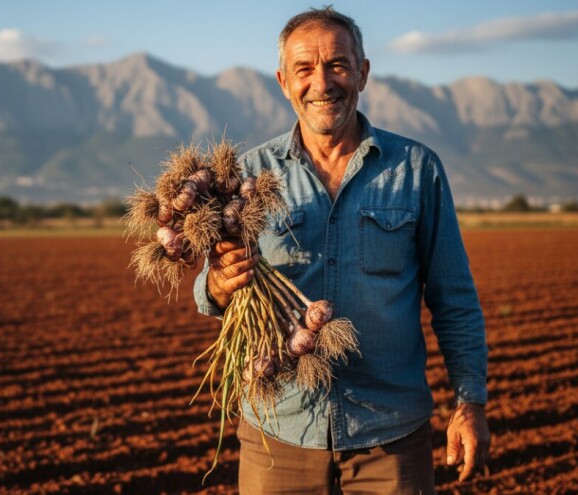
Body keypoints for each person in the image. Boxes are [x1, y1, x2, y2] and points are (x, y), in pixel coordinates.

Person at [193, 6, 490, 494]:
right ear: (283, 82)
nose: (323, 83)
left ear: (363, 73)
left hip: (390, 435)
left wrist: (470, 402)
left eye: (338, 65)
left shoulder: (416, 169)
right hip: (279, 430)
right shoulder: (246, 175)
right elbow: (211, 288)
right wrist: (220, 284)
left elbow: (453, 298)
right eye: (305, 69)